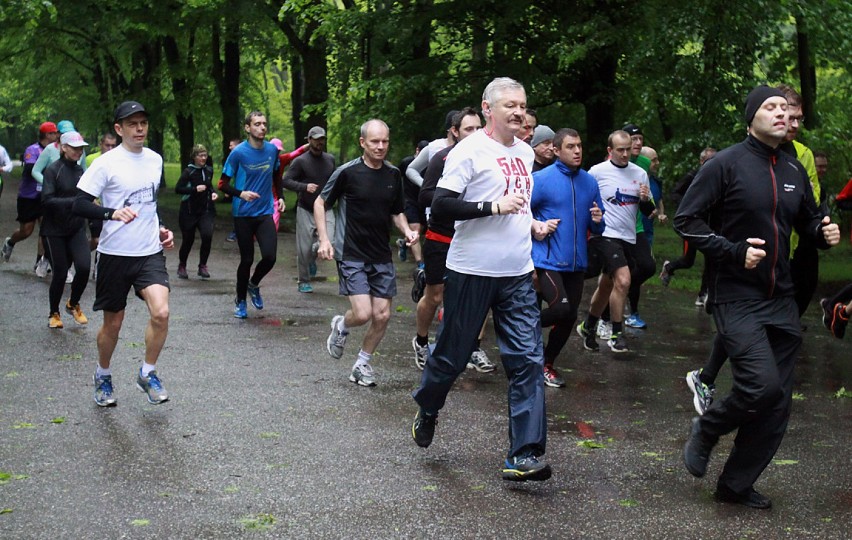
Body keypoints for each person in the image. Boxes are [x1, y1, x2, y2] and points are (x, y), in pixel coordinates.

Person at [676, 85, 839, 509]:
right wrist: (732, 252)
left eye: (786, 109)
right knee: (760, 386)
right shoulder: (725, 164)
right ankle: (708, 428)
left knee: (777, 404)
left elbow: (807, 221)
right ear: (752, 118)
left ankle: (734, 486)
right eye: (771, 108)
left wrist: (823, 233)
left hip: (781, 297)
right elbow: (686, 220)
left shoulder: (793, 169)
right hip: (735, 294)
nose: (782, 114)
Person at [410, 77, 555, 482]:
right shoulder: (469, 151)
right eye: (509, 104)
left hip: (517, 274)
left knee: (527, 360)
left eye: (522, 105)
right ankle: (429, 404)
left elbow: (518, 207)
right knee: (453, 356)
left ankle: (524, 454)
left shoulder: (526, 153)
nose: (518, 111)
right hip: (471, 271)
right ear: (488, 109)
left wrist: (532, 226)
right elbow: (440, 207)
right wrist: (492, 206)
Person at [73, 100, 175, 407]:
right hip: (114, 254)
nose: (140, 128)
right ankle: (103, 374)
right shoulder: (106, 163)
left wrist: (160, 228)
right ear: (119, 129)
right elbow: (79, 204)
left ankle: (148, 372)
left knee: (161, 312)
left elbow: (148, 204)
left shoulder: (155, 160)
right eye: (132, 124)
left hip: (148, 252)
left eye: (143, 122)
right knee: (113, 324)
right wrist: (111, 213)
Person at [316, 119, 418, 387]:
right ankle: (342, 325)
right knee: (362, 314)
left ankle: (361, 364)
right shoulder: (347, 172)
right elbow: (320, 202)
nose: (381, 146)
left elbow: (397, 211)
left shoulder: (393, 174)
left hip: (381, 254)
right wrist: (325, 239)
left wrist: (406, 231)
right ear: (363, 142)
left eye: (385, 141)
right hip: (351, 253)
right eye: (375, 141)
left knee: (382, 315)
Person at [412, 107, 495, 373]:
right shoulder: (442, 158)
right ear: (455, 132)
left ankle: (469, 348)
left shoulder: (489, 158)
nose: (474, 134)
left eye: (477, 129)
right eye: (468, 129)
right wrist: (452, 197)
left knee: (469, 297)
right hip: (441, 236)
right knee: (435, 295)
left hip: (473, 237)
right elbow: (425, 196)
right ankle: (422, 341)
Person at [531, 128, 604, 387]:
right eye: (571, 147)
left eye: (579, 146)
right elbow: (520, 215)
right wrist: (537, 225)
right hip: (547, 259)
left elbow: (598, 225)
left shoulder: (589, 182)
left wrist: (597, 221)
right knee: (560, 308)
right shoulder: (541, 179)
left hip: (576, 262)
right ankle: (519, 328)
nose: (577, 151)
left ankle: (546, 363)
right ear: (557, 150)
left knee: (570, 316)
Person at [576, 130, 654, 353]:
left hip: (628, 235)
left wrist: (645, 199)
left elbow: (647, 211)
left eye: (628, 149)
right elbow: (583, 200)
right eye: (620, 150)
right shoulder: (597, 172)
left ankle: (589, 325)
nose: (625, 154)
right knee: (623, 280)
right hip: (606, 234)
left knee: (608, 284)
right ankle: (616, 333)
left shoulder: (639, 173)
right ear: (610, 151)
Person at [218, 112, 284, 319]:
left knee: (270, 256)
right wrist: (241, 194)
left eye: (264, 124)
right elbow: (222, 184)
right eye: (257, 124)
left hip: (265, 211)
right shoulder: (238, 153)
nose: (262, 127)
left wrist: (280, 196)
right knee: (246, 259)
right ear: (248, 128)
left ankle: (253, 284)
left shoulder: (272, 150)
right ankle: (240, 300)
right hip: (243, 213)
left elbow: (276, 174)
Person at [41, 131, 92, 328]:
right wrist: (75, 202)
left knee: (84, 268)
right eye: (75, 148)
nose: (79, 152)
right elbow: (47, 201)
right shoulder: (53, 171)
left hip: (76, 228)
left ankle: (73, 303)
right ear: (63, 148)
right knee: (61, 273)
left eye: (81, 148)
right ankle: (54, 313)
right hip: (54, 230)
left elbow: (88, 199)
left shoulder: (81, 172)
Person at [659, 147, 717, 306]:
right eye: (708, 161)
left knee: (711, 259)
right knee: (688, 260)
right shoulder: (693, 176)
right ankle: (669, 267)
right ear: (701, 161)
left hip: (709, 226)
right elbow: (675, 193)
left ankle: (703, 294)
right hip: (691, 225)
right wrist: (689, 207)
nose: (712, 165)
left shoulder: (718, 177)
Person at [282, 126, 336, 293]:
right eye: (316, 138)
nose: (320, 142)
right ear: (309, 140)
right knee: (304, 248)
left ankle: (314, 255)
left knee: (330, 240)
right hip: (306, 208)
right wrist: (304, 187)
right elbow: (286, 181)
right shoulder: (300, 161)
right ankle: (303, 280)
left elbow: (336, 181)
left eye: (322, 139)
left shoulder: (330, 159)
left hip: (326, 208)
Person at [2, 122, 59, 275]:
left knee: (45, 229)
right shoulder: (33, 150)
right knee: (26, 231)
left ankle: (39, 262)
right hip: (28, 196)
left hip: (45, 196)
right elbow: (29, 170)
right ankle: (10, 242)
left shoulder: (55, 150)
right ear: (47, 135)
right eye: (54, 133)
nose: (57, 136)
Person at [404, 111, 460, 268]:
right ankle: (425, 270)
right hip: (437, 208)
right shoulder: (435, 147)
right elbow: (411, 169)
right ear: (452, 129)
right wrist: (427, 186)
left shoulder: (475, 148)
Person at [175, 144, 217, 279]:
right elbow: (178, 189)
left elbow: (209, 186)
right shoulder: (188, 172)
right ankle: (182, 265)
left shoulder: (209, 170)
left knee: (207, 235)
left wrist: (213, 193)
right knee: (188, 240)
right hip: (189, 211)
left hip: (205, 210)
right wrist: (194, 189)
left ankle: (202, 266)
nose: (203, 158)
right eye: (201, 155)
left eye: (205, 155)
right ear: (194, 157)